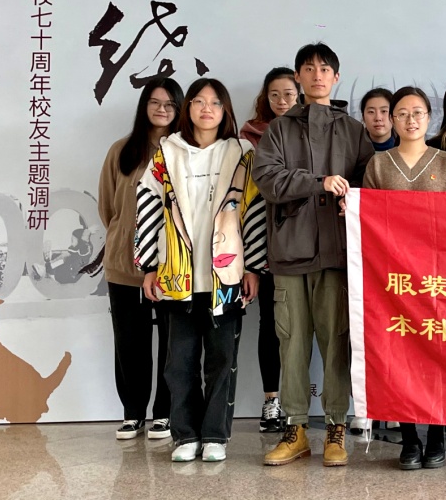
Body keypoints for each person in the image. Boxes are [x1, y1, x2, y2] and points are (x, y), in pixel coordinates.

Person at [254, 43, 375, 469]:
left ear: (336, 78)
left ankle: (337, 426)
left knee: (337, 341)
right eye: (309, 68)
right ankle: (296, 429)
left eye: (325, 69)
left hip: (338, 255)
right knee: (291, 344)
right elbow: (268, 179)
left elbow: (368, 182)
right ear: (298, 77)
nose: (317, 75)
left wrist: (351, 200)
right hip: (290, 253)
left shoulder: (354, 130)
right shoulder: (278, 130)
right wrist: (317, 182)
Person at [135, 78, 267, 463]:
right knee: (179, 362)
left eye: (215, 103)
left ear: (226, 110)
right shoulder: (167, 152)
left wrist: (254, 267)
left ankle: (215, 436)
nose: (207, 109)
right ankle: (185, 435)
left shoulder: (241, 153)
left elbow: (254, 210)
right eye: (198, 101)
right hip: (177, 275)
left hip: (226, 277)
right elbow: (147, 205)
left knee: (222, 360)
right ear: (188, 108)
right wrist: (148, 266)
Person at [363, 87, 446, 470]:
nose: (410, 119)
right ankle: (409, 438)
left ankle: (437, 435)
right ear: (392, 119)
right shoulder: (379, 164)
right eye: (402, 113)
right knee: (400, 356)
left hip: (437, 277)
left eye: (417, 112)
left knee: (438, 355)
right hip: (394, 280)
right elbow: (368, 218)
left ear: (429, 117)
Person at [97, 77, 182, 441]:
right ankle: (133, 412)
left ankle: (164, 412)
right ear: (144, 105)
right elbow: (108, 207)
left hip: (171, 266)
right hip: (124, 266)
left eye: (170, 104)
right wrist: (126, 240)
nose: (162, 109)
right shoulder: (122, 150)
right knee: (129, 342)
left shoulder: (183, 150)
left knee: (172, 342)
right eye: (155, 102)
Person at [241, 66, 297, 433]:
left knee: (304, 325)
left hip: (304, 240)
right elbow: (243, 198)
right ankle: (271, 402)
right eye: (274, 94)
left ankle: (301, 403)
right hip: (263, 240)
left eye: (288, 94)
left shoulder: (311, 134)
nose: (281, 101)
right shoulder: (250, 137)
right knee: (269, 325)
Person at [361, 87, 398, 151]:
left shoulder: (407, 148)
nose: (378, 118)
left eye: (384, 111)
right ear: (363, 117)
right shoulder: (352, 149)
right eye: (371, 112)